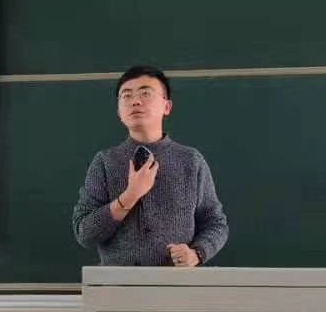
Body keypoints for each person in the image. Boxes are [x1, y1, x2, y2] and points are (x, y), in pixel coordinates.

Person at [71, 65, 228, 268]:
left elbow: (216, 223)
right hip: (118, 283)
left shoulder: (190, 160)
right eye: (126, 96)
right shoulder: (105, 162)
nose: (135, 101)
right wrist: (130, 196)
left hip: (177, 282)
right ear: (119, 112)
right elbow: (84, 233)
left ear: (167, 107)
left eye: (145, 93)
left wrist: (197, 253)